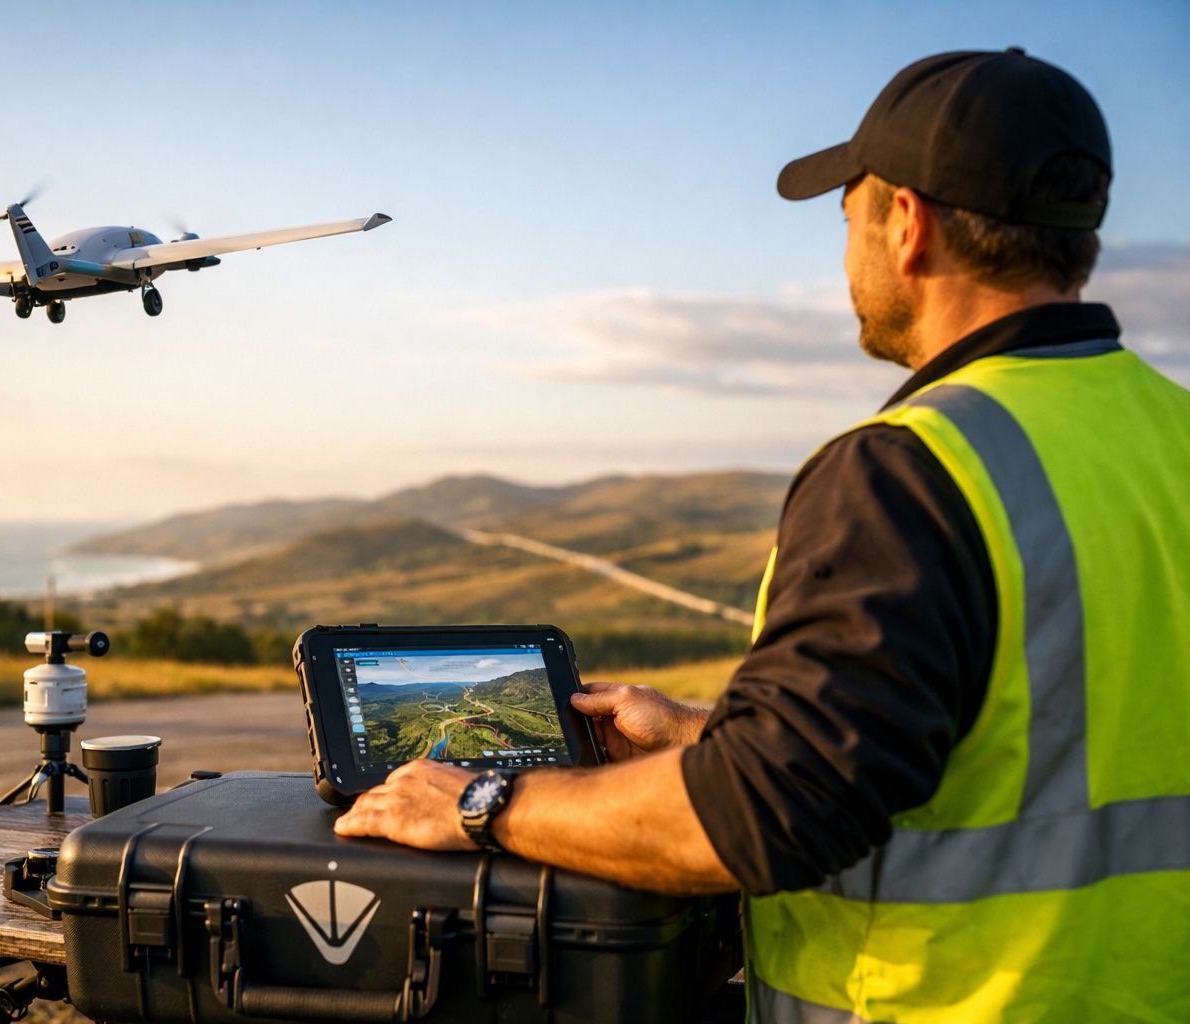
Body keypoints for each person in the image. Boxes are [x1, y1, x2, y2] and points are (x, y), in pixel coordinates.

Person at [335, 48, 1190, 1022]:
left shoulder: (913, 469)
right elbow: (1045, 740)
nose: (844, 257)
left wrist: (481, 805)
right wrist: (714, 734)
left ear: (907, 224)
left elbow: (758, 816)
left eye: (847, 220)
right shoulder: (1172, 435)